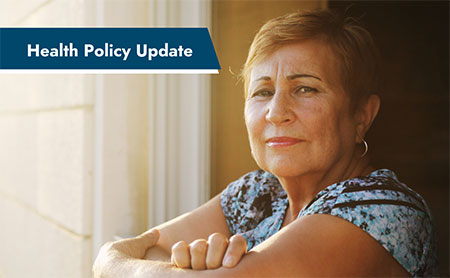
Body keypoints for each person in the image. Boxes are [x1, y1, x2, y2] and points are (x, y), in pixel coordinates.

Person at [93, 9, 439, 277]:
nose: (276, 113)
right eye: (262, 92)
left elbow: (133, 256)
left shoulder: (385, 210)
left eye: (305, 88)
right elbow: (154, 248)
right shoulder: (258, 192)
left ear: (361, 115)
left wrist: (115, 261)